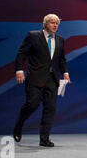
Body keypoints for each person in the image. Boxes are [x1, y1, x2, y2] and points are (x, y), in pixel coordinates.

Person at [13, 14, 71, 147]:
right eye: (52, 23)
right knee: (32, 104)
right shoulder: (33, 36)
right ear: (45, 24)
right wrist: (19, 70)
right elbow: (22, 54)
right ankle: (19, 124)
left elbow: (61, 59)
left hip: (52, 79)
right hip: (35, 77)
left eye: (57, 23)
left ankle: (44, 139)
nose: (55, 25)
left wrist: (65, 73)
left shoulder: (61, 40)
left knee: (50, 108)